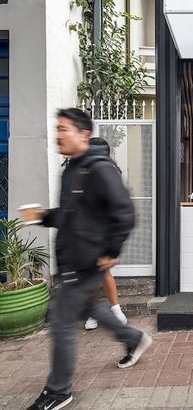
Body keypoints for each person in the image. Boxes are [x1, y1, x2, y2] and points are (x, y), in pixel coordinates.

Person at [20, 108, 152, 410]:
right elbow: (72, 215)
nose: (57, 134)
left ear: (83, 135)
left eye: (63, 129)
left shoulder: (99, 169)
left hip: (86, 260)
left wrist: (111, 251)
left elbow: (125, 214)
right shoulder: (72, 169)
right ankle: (132, 338)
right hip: (75, 258)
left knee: (61, 323)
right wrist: (43, 216)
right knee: (89, 307)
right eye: (57, 129)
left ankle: (58, 390)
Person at [83, 137, 127, 330]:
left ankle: (115, 310)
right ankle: (96, 313)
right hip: (86, 230)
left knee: (102, 271)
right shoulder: (81, 171)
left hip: (101, 229)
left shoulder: (110, 171)